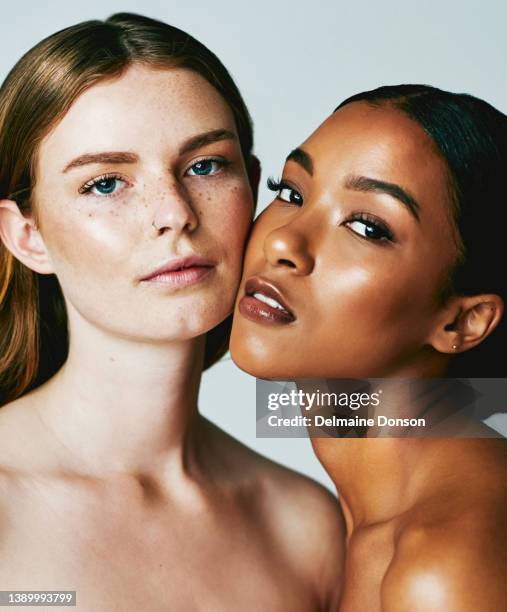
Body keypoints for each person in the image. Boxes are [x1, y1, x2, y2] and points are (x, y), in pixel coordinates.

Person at [0, 13, 345, 611]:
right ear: (27, 236)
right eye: (106, 183)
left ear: (253, 186)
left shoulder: (305, 527)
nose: (175, 213)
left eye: (206, 166)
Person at [230, 84, 507, 611]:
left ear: (464, 322)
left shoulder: (445, 567)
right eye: (291, 193)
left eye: (366, 226)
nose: (283, 241)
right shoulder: (351, 537)